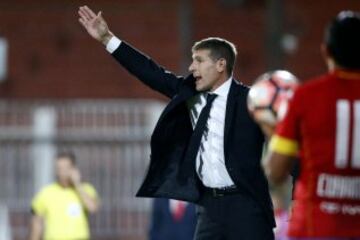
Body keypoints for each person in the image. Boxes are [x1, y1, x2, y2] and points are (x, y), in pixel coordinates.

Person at [78, 5, 275, 240]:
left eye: (199, 61)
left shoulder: (252, 100)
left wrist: (298, 193)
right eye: (193, 61)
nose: (192, 67)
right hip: (208, 208)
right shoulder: (189, 93)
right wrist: (107, 39)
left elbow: (286, 139)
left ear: (221, 65)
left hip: (247, 207)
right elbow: (150, 72)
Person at [263, 11, 360, 239]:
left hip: (314, 228)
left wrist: (274, 133)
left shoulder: (306, 97)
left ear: (325, 51)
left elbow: (275, 172)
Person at [28, 152, 99, 240]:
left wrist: (78, 185)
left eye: (66, 168)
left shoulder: (85, 189)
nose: (62, 172)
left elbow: (92, 208)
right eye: (59, 168)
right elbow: (37, 223)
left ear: (74, 169)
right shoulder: (46, 193)